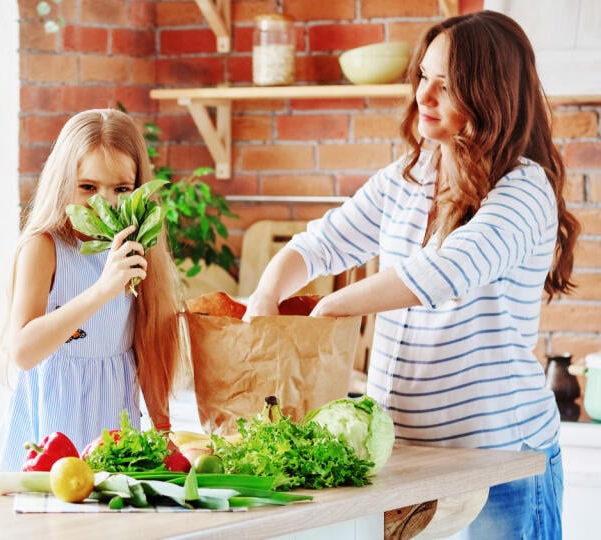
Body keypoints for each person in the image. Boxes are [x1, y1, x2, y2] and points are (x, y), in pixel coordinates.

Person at [244, 11, 579, 539]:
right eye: (424, 76)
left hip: (500, 464)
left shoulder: (524, 189)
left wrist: (329, 308)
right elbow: (320, 243)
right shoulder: (410, 176)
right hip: (409, 466)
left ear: (491, 94)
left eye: (447, 85)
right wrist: (266, 295)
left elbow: (447, 271)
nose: (424, 95)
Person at [0, 109, 184, 484]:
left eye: (121, 189)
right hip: (48, 436)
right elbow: (23, 350)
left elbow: (150, 346)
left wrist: (163, 429)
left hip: (113, 430)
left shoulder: (137, 248)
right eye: (88, 187)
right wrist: (103, 289)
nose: (103, 202)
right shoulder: (44, 247)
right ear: (63, 184)